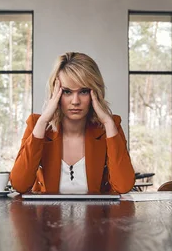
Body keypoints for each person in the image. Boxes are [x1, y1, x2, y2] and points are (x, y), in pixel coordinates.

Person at [10, 52, 135, 194]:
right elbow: (19, 185)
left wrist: (107, 121)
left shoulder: (110, 127)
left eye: (83, 91)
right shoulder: (37, 125)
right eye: (67, 92)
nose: (75, 101)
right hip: (48, 215)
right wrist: (43, 121)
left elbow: (124, 186)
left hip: (96, 216)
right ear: (55, 93)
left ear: (96, 93)